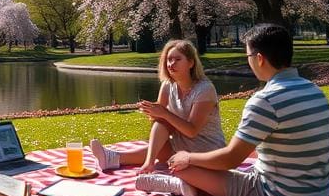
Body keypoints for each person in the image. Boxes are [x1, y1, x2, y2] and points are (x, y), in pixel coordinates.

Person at [148, 24, 329, 196]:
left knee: (183, 168)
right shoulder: (315, 91)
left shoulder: (265, 100)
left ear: (260, 59)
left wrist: (187, 157)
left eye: (248, 57)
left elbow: (230, 159)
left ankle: (185, 185)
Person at [89, 39, 226, 173]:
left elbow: (192, 130)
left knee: (163, 122)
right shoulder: (168, 85)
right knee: (160, 126)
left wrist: (164, 113)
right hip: (181, 147)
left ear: (191, 63)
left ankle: (115, 158)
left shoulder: (204, 89)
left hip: (208, 152)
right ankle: (125, 160)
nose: (171, 64)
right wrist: (152, 112)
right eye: (168, 59)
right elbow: (160, 121)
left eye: (177, 59)